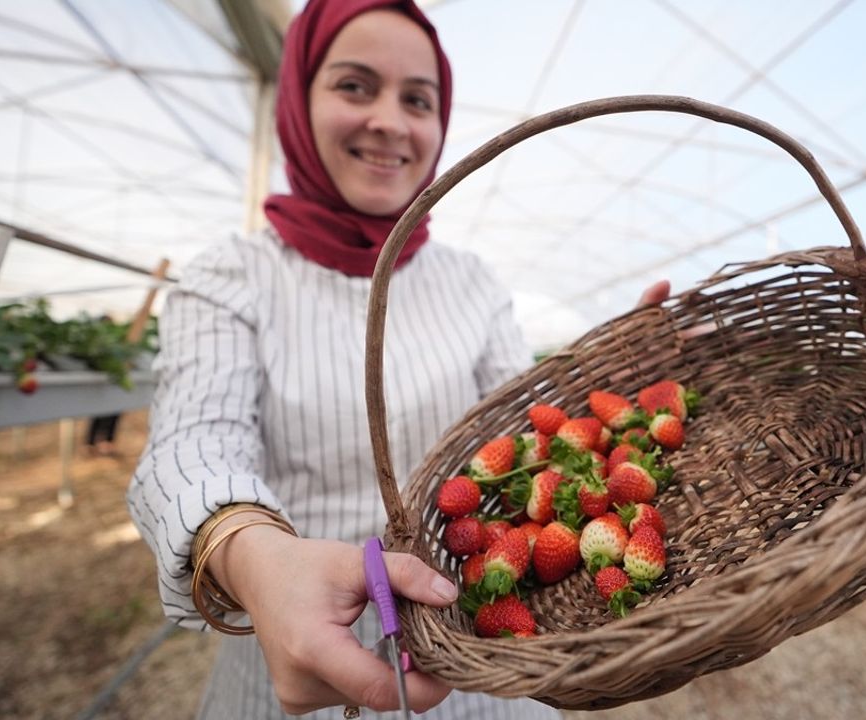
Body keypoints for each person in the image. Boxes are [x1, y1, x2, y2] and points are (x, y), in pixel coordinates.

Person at [126, 1, 668, 718]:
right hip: (293, 663)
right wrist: (253, 554)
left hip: (479, 661)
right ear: (298, 99)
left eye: (418, 99)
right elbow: (192, 443)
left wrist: (623, 378)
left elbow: (529, 434)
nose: (389, 120)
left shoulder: (470, 282)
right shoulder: (232, 276)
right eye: (355, 86)